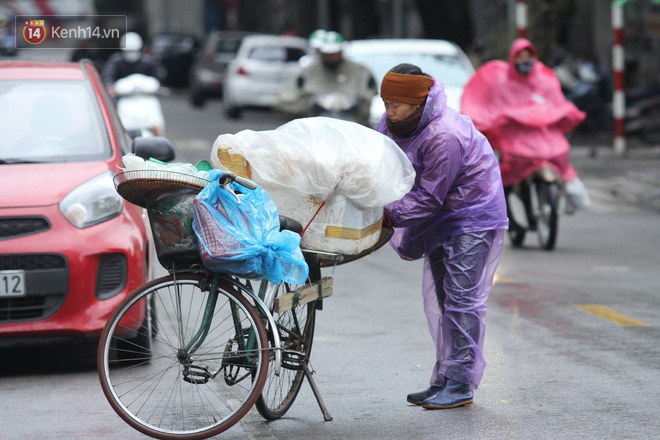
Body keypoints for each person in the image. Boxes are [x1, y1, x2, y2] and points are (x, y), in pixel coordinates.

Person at [378, 63, 508, 409]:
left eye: (398, 103)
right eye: (386, 101)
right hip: (439, 215)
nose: (390, 109)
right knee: (445, 299)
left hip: (472, 215)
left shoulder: (443, 134)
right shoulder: (391, 125)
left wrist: (385, 214)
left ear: (419, 103)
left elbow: (429, 197)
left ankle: (461, 382)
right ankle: (445, 377)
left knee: (462, 298)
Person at [460, 38, 589, 211]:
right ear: (513, 58)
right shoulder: (499, 80)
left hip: (544, 136)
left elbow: (556, 102)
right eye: (520, 57)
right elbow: (487, 105)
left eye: (528, 57)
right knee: (502, 176)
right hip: (514, 138)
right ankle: (501, 209)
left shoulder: (544, 78)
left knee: (561, 153)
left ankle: (560, 193)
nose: (524, 61)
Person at [273, 31, 376, 126]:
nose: (332, 57)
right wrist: (310, 104)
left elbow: (371, 99)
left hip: (353, 128)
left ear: (341, 50)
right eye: (328, 54)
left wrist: (353, 105)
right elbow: (283, 102)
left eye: (335, 53)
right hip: (316, 129)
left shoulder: (360, 72)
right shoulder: (308, 73)